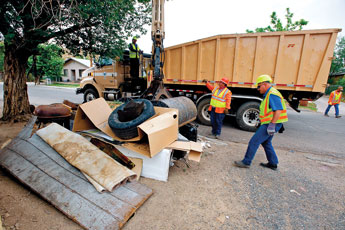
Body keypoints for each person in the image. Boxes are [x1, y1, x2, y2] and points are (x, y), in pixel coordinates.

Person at [234, 74, 288, 170]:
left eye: (259, 86)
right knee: (266, 142)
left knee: (254, 142)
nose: (258, 89)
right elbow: (268, 112)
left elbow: (278, 110)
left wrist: (272, 125)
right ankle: (273, 163)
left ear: (264, 84)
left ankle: (246, 162)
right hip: (271, 123)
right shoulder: (269, 94)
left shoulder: (272, 94)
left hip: (271, 124)